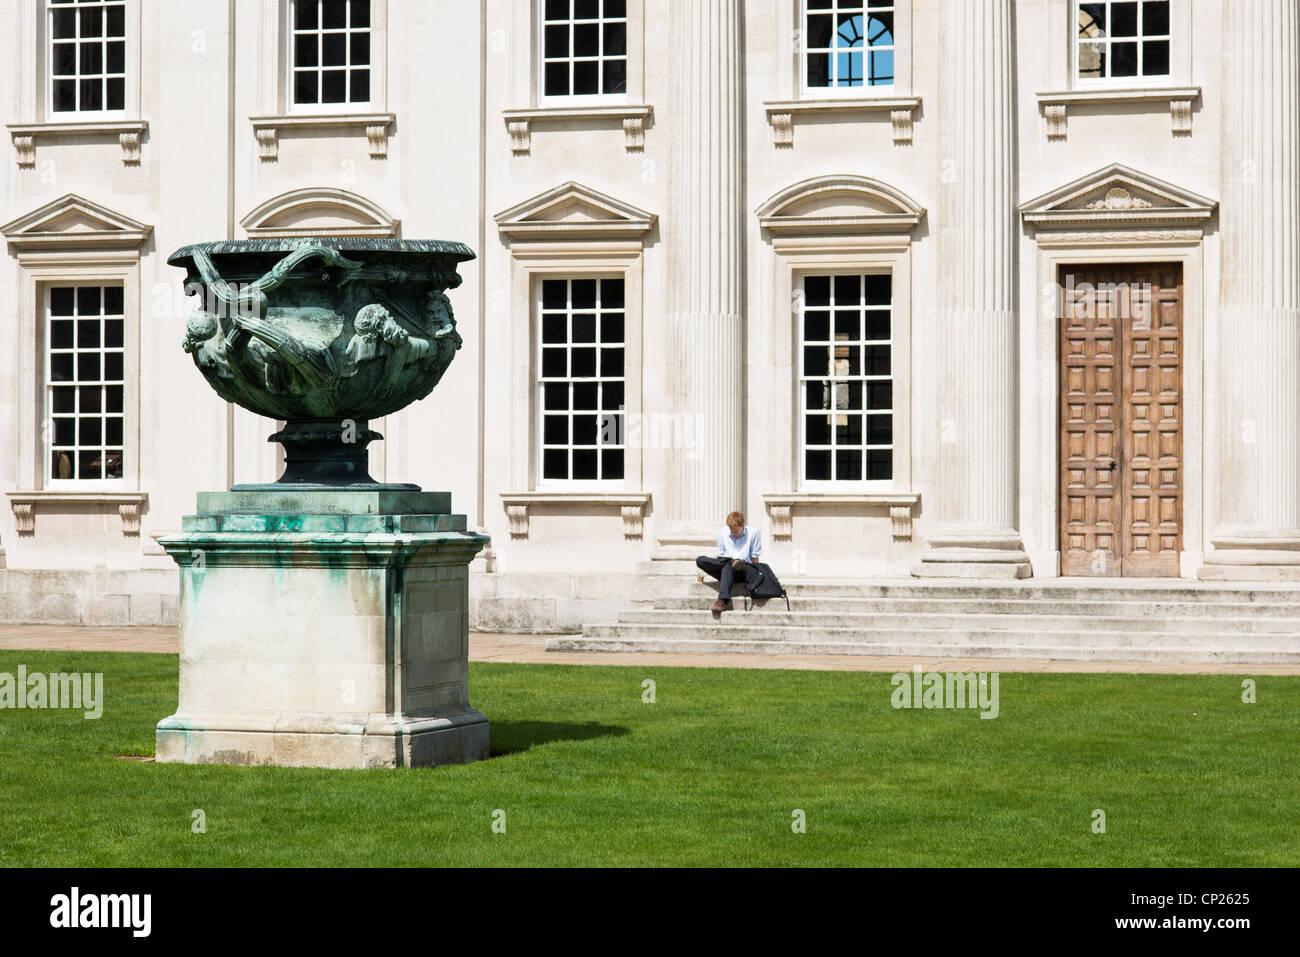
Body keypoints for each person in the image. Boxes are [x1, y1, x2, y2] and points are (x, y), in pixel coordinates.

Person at [696, 511, 762, 614]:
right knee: (700, 560)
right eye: (731, 531)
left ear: (742, 525)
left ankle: (721, 601)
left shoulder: (754, 533)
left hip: (743, 571)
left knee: (728, 565)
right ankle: (731, 562)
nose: (734, 534)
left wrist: (756, 579)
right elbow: (720, 557)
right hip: (726, 568)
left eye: (736, 531)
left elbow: (755, 560)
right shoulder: (722, 532)